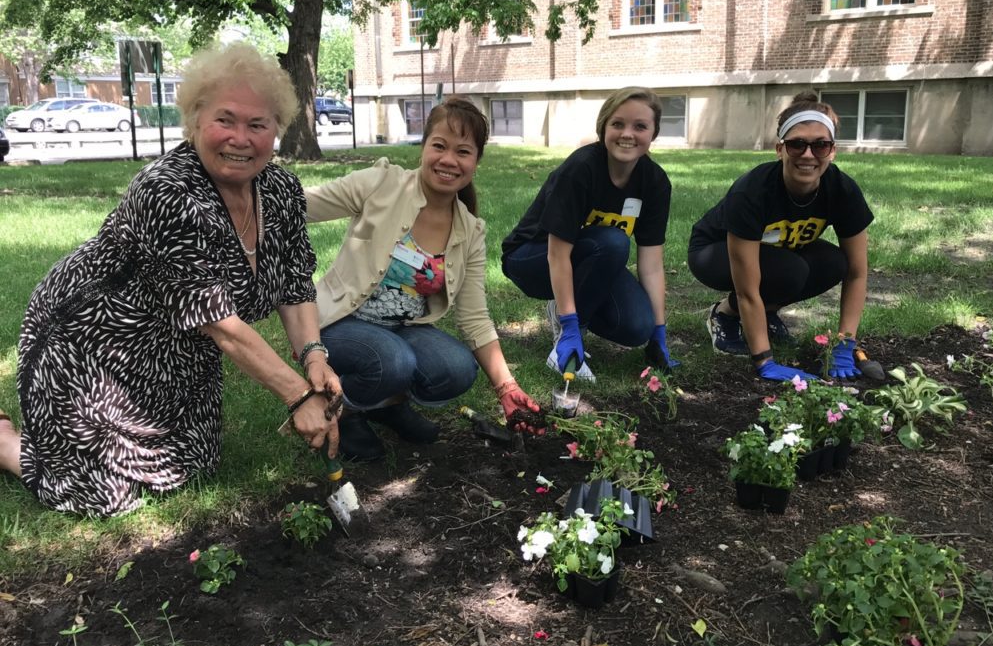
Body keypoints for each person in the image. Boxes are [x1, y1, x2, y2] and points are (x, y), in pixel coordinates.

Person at [0, 43, 340, 517]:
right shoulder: (166, 191)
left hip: (174, 350)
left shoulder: (280, 190)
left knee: (193, 467)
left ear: (276, 131)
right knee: (104, 497)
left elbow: (294, 283)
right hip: (93, 343)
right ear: (196, 121)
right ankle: (5, 442)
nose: (240, 138)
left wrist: (313, 356)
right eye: (226, 120)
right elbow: (219, 323)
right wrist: (299, 395)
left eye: (257, 125)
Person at [305, 97, 543, 461]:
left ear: (476, 162)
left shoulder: (470, 230)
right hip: (341, 322)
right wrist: (242, 186)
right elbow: (306, 204)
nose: (449, 160)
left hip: (400, 328)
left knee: (457, 367)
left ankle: (385, 404)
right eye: (439, 146)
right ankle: (341, 409)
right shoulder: (382, 184)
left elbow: (475, 316)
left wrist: (506, 387)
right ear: (424, 146)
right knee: (394, 361)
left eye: (463, 151)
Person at [687, 91, 873, 381]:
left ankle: (766, 314)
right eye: (797, 144)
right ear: (780, 149)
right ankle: (724, 314)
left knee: (836, 262)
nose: (808, 155)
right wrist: (764, 361)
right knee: (790, 271)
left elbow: (858, 272)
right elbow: (748, 288)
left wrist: (845, 342)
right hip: (713, 250)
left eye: (820, 145)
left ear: (833, 151)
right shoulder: (752, 191)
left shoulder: (842, 190)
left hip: (779, 250)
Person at [501, 86, 677, 382]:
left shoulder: (655, 182)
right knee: (612, 242)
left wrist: (658, 332)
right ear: (603, 127)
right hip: (531, 258)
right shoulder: (581, 169)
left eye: (640, 126)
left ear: (654, 133)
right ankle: (567, 330)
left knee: (637, 326)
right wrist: (572, 325)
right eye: (617, 123)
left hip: (589, 258)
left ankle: (565, 307)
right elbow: (557, 254)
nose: (627, 134)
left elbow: (652, 263)